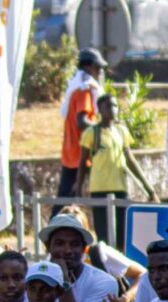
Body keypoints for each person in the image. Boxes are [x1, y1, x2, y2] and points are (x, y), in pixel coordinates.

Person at [82, 93, 157, 241]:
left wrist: (148, 188)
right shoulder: (92, 133)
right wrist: (78, 188)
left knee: (123, 231)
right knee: (103, 233)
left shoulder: (121, 131)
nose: (113, 109)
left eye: (115, 105)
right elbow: (82, 162)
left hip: (120, 186)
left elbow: (130, 159)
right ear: (100, 109)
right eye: (108, 106)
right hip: (99, 188)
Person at [60, 49, 107, 200]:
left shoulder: (78, 87)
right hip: (80, 155)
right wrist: (103, 128)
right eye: (98, 68)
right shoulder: (84, 90)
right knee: (71, 200)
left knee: (67, 199)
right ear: (88, 67)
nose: (100, 72)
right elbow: (82, 121)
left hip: (72, 153)